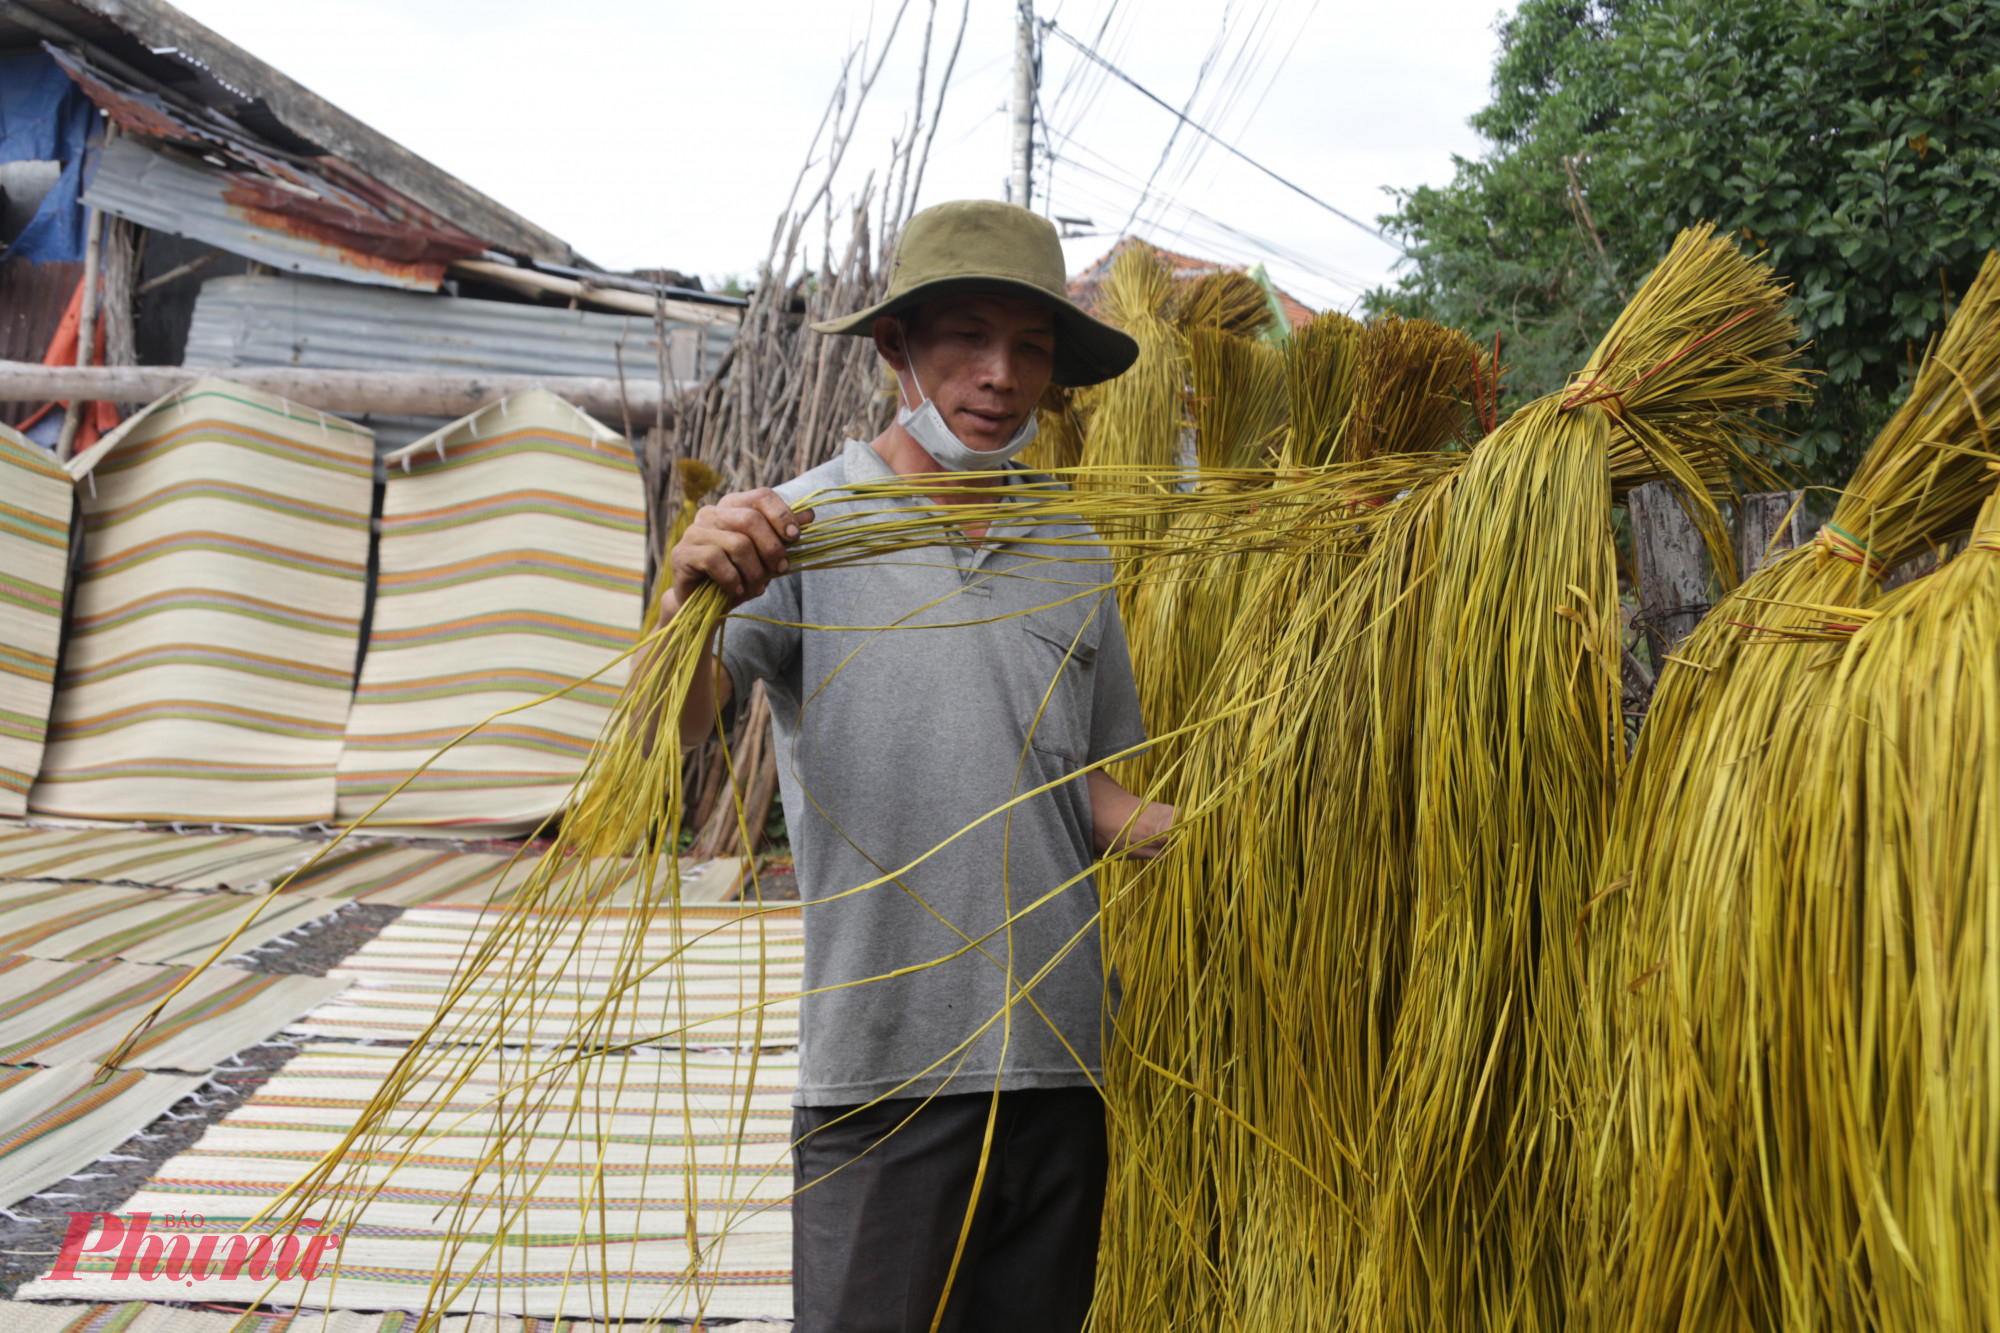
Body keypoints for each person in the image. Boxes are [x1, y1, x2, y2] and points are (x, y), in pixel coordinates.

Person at [650, 199, 1171, 1333]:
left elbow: (1081, 786)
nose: (999, 376)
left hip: (1060, 1066)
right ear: (896, 348)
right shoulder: (797, 531)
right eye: (965, 339)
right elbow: (674, 731)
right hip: (883, 1071)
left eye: (1030, 348)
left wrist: (1229, 825)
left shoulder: (1074, 553)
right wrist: (684, 605)